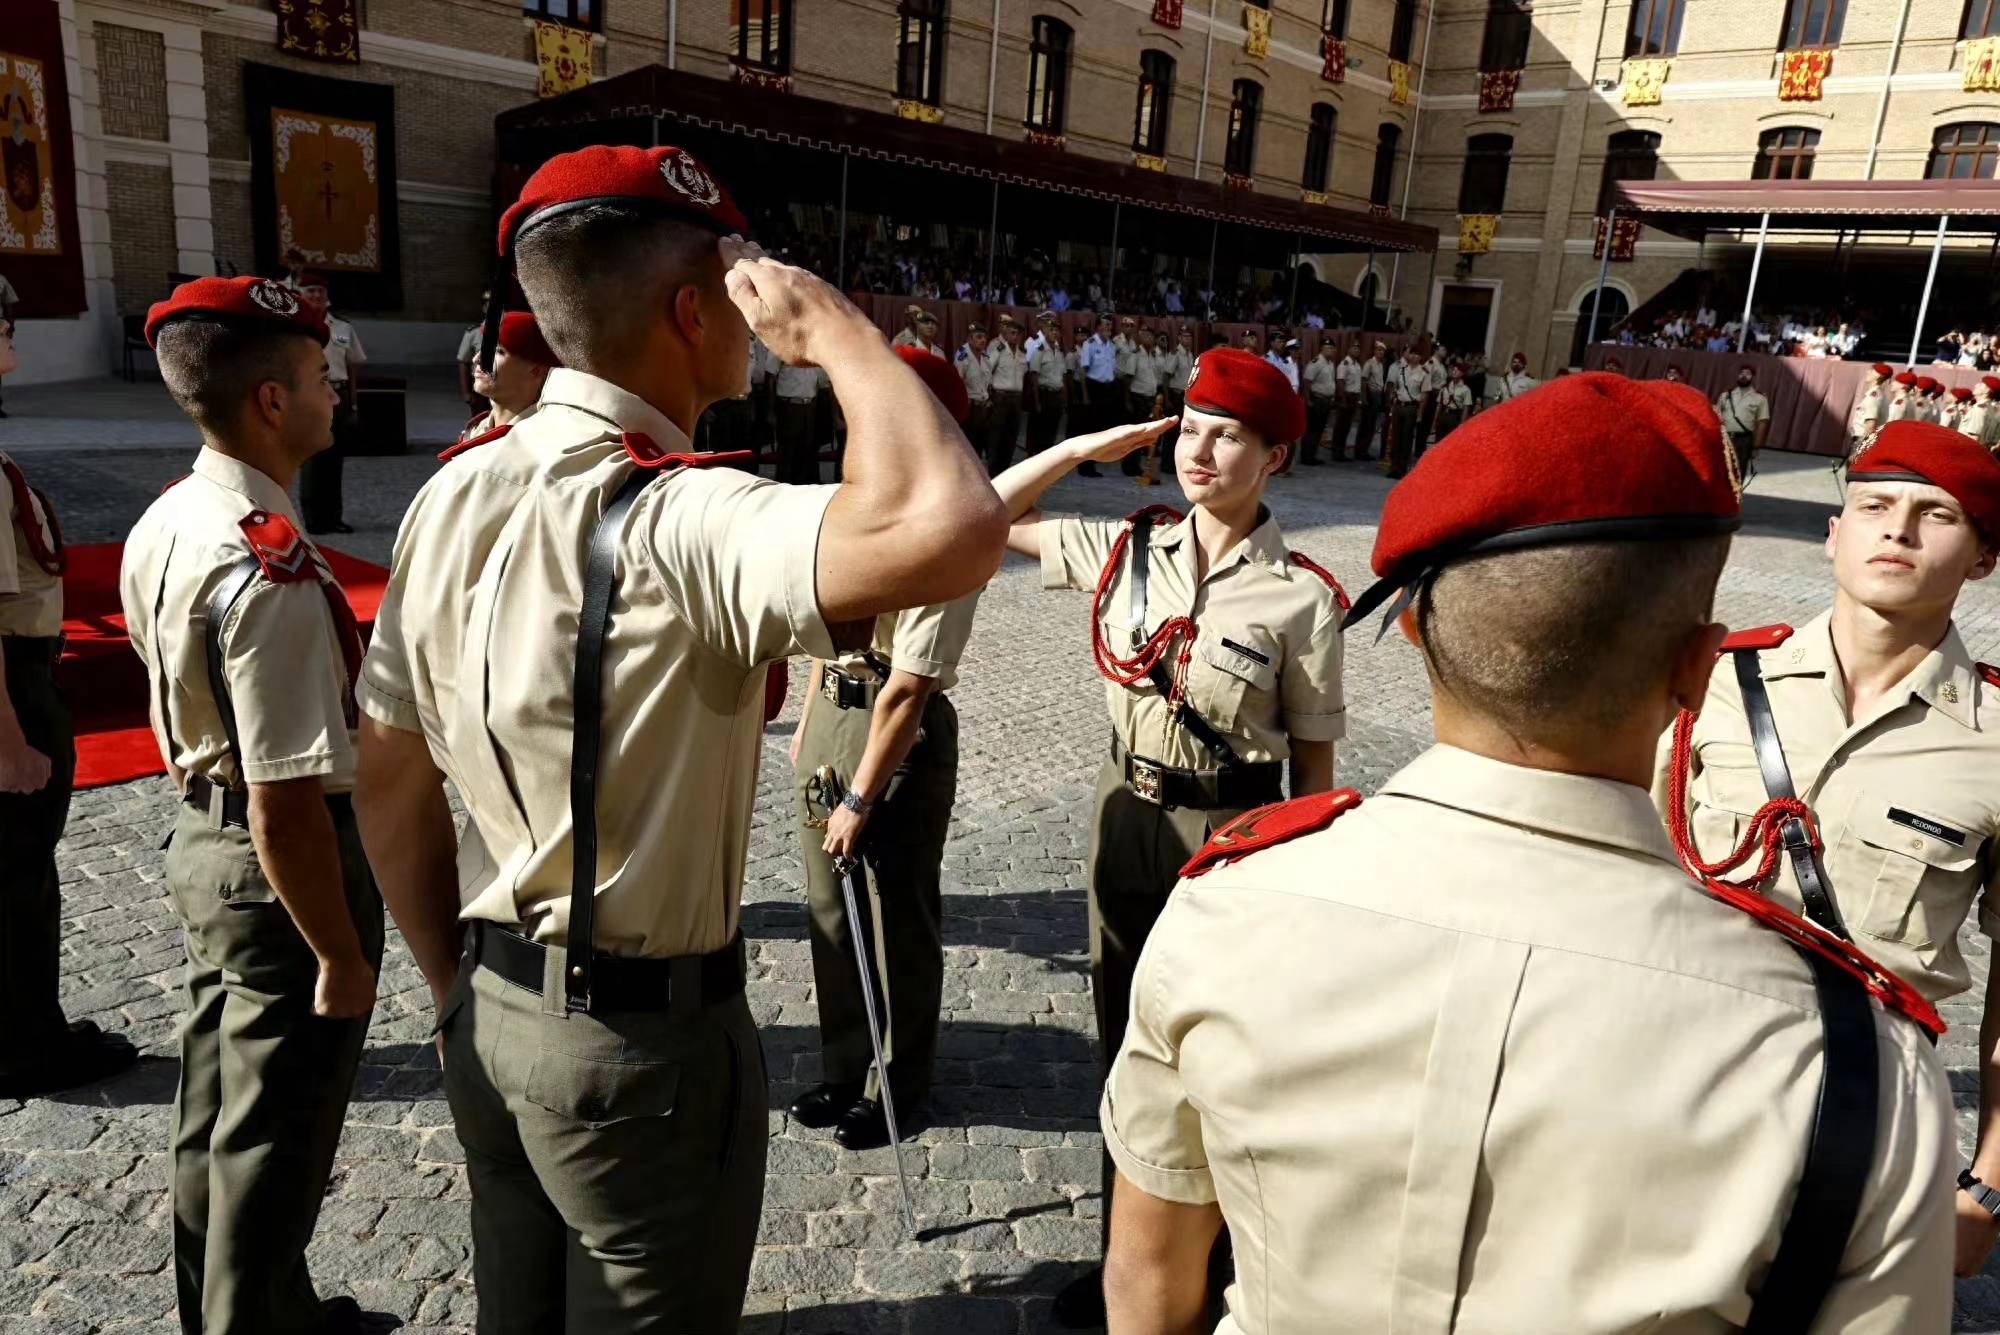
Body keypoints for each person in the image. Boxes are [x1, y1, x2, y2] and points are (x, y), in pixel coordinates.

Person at [1103, 373, 1954, 1332]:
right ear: (1697, 667)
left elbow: (1148, 1282)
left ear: (1417, 628)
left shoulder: (1225, 913)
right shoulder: (1860, 1065)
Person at [351, 144, 1007, 1331]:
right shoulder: (682, 512)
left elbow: (388, 769)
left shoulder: (452, 489)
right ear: (693, 309)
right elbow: (949, 524)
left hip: (493, 1007)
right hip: (638, 1050)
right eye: (743, 285)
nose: (758, 321)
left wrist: (452, 989)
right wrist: (839, 330)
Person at [991, 348, 1349, 1327]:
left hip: (1229, 829)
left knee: (1212, 1054)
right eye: (1190, 426)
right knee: (1121, 1042)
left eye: (1227, 433)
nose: (1200, 449)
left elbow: (1312, 770)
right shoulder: (1122, 550)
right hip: (1124, 812)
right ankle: (1127, 1258)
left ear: (1274, 455)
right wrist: (1079, 445)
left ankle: (1211, 1255)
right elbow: (976, 517)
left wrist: (1294, 887)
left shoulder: (1300, 598)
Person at [1661, 418, 2000, 1281]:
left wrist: (1989, 1187)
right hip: (1665, 1077)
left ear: (1984, 558)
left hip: (1860, 1111)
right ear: (1832, 533)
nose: (1898, 528)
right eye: (1875, 505)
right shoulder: (1716, 679)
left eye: (1937, 514)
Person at [124, 276, 387, 1335]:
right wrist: (338, 954)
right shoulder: (262, 560)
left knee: (215, 1113)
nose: (339, 392)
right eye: (322, 376)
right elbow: (283, 800)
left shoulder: (171, 515)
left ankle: (250, 1305)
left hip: (204, 835)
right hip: (280, 865)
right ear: (271, 403)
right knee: (279, 1132)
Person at [790, 346, 981, 1151]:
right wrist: (808, 724)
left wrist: (862, 795)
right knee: (830, 912)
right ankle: (843, 1063)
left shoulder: (951, 525)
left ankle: (898, 1082)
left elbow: (909, 688)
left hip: (896, 732)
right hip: (836, 712)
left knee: (893, 912)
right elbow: (820, 625)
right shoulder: (848, 507)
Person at [0, 442, 138, 1099]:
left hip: (25, 669)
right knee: (18, 871)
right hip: (15, 680)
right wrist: (9, 742)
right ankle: (27, 1045)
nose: (9, 333)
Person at [295, 273, 364, 535]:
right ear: (301, 295)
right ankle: (313, 520)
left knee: (335, 460)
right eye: (310, 291)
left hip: (338, 395)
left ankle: (334, 517)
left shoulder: (343, 327)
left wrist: (354, 403)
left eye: (319, 291)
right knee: (312, 458)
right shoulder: (296, 328)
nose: (315, 296)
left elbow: (352, 367)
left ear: (327, 296)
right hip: (309, 396)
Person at [458, 311, 558, 443]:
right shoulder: (475, 432)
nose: (477, 359)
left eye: (498, 351)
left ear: (536, 370)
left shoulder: (546, 442)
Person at [772, 350, 831, 484]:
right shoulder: (782, 346)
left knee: (806, 450)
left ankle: (802, 486)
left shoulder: (815, 352)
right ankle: (783, 487)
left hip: (809, 407)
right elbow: (771, 376)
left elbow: (822, 384)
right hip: (789, 406)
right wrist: (771, 411)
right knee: (787, 452)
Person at [1714, 363, 1771, 486]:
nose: (1743, 375)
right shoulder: (1725, 396)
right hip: (1724, 438)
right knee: (1719, 469)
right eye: (1741, 373)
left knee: (1738, 471)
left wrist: (1756, 446)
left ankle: (1734, 500)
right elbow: (1715, 418)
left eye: (1748, 373)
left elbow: (1762, 423)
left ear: (1753, 377)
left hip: (1744, 440)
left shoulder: (1760, 398)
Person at [987, 315, 1028, 474]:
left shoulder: (1022, 354)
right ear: (1005, 334)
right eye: (1011, 333)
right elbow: (987, 369)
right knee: (996, 435)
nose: (1014, 336)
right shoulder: (998, 349)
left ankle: (1004, 469)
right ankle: (993, 471)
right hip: (1000, 396)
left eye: (1017, 334)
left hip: (1016, 398)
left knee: (1011, 436)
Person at [1125, 327, 1164, 477]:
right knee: (1134, 435)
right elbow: (1127, 379)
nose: (1147, 338)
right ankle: (1129, 466)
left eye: (1150, 335)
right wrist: (1127, 400)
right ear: (1140, 338)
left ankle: (1136, 465)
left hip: (1150, 398)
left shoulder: (1154, 355)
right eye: (1144, 335)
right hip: (1137, 397)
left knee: (1143, 436)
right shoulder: (1134, 355)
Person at [1383, 346, 1426, 479]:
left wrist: (1420, 413)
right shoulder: (1401, 370)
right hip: (1399, 406)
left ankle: (1402, 469)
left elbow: (1424, 395)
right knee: (1396, 438)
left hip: (1411, 408)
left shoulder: (1424, 373)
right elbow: (1394, 387)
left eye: (1417, 354)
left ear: (1420, 357)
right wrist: (1391, 403)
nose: (1414, 356)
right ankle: (1393, 468)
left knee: (1406, 439)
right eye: (1412, 354)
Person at [956, 322, 995, 467]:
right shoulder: (962, 355)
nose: (983, 340)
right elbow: (958, 383)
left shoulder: (985, 356)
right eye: (979, 337)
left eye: (984, 337)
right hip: (969, 407)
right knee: (968, 444)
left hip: (984, 406)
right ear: (970, 339)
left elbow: (988, 382)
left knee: (981, 443)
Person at [1028, 313, 1067, 456]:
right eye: (1051, 330)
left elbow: (1061, 378)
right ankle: (1034, 461)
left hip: (1056, 395)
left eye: (1057, 330)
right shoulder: (1039, 351)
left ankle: (1046, 461)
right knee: (1039, 431)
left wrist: (1063, 399)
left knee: (1052, 430)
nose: (1054, 333)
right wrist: (1037, 401)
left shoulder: (1059, 352)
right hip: (1044, 394)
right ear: (1045, 332)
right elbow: (1034, 376)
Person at [1079, 313, 1119, 435]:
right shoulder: (1089, 344)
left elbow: (1111, 369)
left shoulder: (1112, 345)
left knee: (1107, 425)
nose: (1109, 327)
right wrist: (1085, 396)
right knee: (1094, 425)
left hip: (1109, 388)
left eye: (1110, 324)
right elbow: (1083, 372)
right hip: (1095, 388)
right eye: (1106, 324)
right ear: (1098, 327)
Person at [1300, 341, 1338, 468]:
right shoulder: (1316, 362)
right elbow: (1307, 381)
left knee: (1320, 429)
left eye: (1333, 348)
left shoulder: (1330, 363)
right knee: (1312, 429)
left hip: (1326, 400)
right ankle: (1306, 456)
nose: (1332, 350)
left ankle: (1312, 454)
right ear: (1323, 348)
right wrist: (1308, 399)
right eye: (1329, 348)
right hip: (1316, 400)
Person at [455, 291, 492, 418]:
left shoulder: (508, 331)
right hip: (479, 388)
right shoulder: (473, 333)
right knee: (479, 423)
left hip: (501, 385)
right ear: (484, 308)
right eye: (489, 304)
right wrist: (466, 392)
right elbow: (463, 363)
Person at [1355, 341, 1387, 459]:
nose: (1380, 352)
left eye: (1382, 350)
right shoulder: (1370, 363)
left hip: (1377, 395)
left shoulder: (1380, 364)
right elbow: (1364, 381)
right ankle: (1360, 451)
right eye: (1378, 350)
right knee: (1366, 424)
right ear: (1374, 351)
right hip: (1370, 394)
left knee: (1372, 424)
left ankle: (1364, 450)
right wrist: (1363, 398)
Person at [1851, 362, 1893, 445]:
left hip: (1862, 440)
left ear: (1878, 375)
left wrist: (1861, 448)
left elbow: (1870, 426)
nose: (1868, 372)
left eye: (1872, 371)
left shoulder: (1873, 396)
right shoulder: (1878, 394)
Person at [1431, 361, 1474, 441]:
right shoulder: (1445, 386)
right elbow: (1439, 405)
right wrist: (1435, 420)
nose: (1454, 372)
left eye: (1457, 370)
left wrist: (1462, 424)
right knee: (1438, 440)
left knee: (1449, 440)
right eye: (1453, 370)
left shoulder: (1466, 390)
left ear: (1462, 374)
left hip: (1454, 416)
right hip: (1443, 414)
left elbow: (1466, 408)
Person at [1114, 316, 1140, 425]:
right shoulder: (1116, 340)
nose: (1128, 328)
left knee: (1128, 413)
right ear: (1121, 327)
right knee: (1118, 411)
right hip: (1118, 380)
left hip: (1130, 381)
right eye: (1125, 326)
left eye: (1130, 326)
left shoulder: (1133, 342)